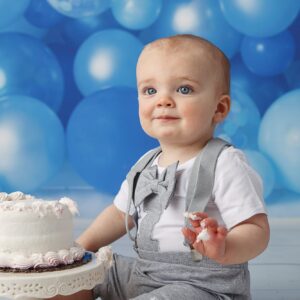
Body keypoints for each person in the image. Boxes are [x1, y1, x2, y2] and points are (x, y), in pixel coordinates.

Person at [53, 34, 269, 300]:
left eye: (184, 89)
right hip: (145, 273)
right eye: (150, 91)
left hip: (203, 284)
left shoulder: (225, 163)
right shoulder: (145, 164)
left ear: (219, 108)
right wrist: (80, 250)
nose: (163, 100)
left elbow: (257, 230)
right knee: (73, 278)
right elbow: (119, 213)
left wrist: (224, 247)